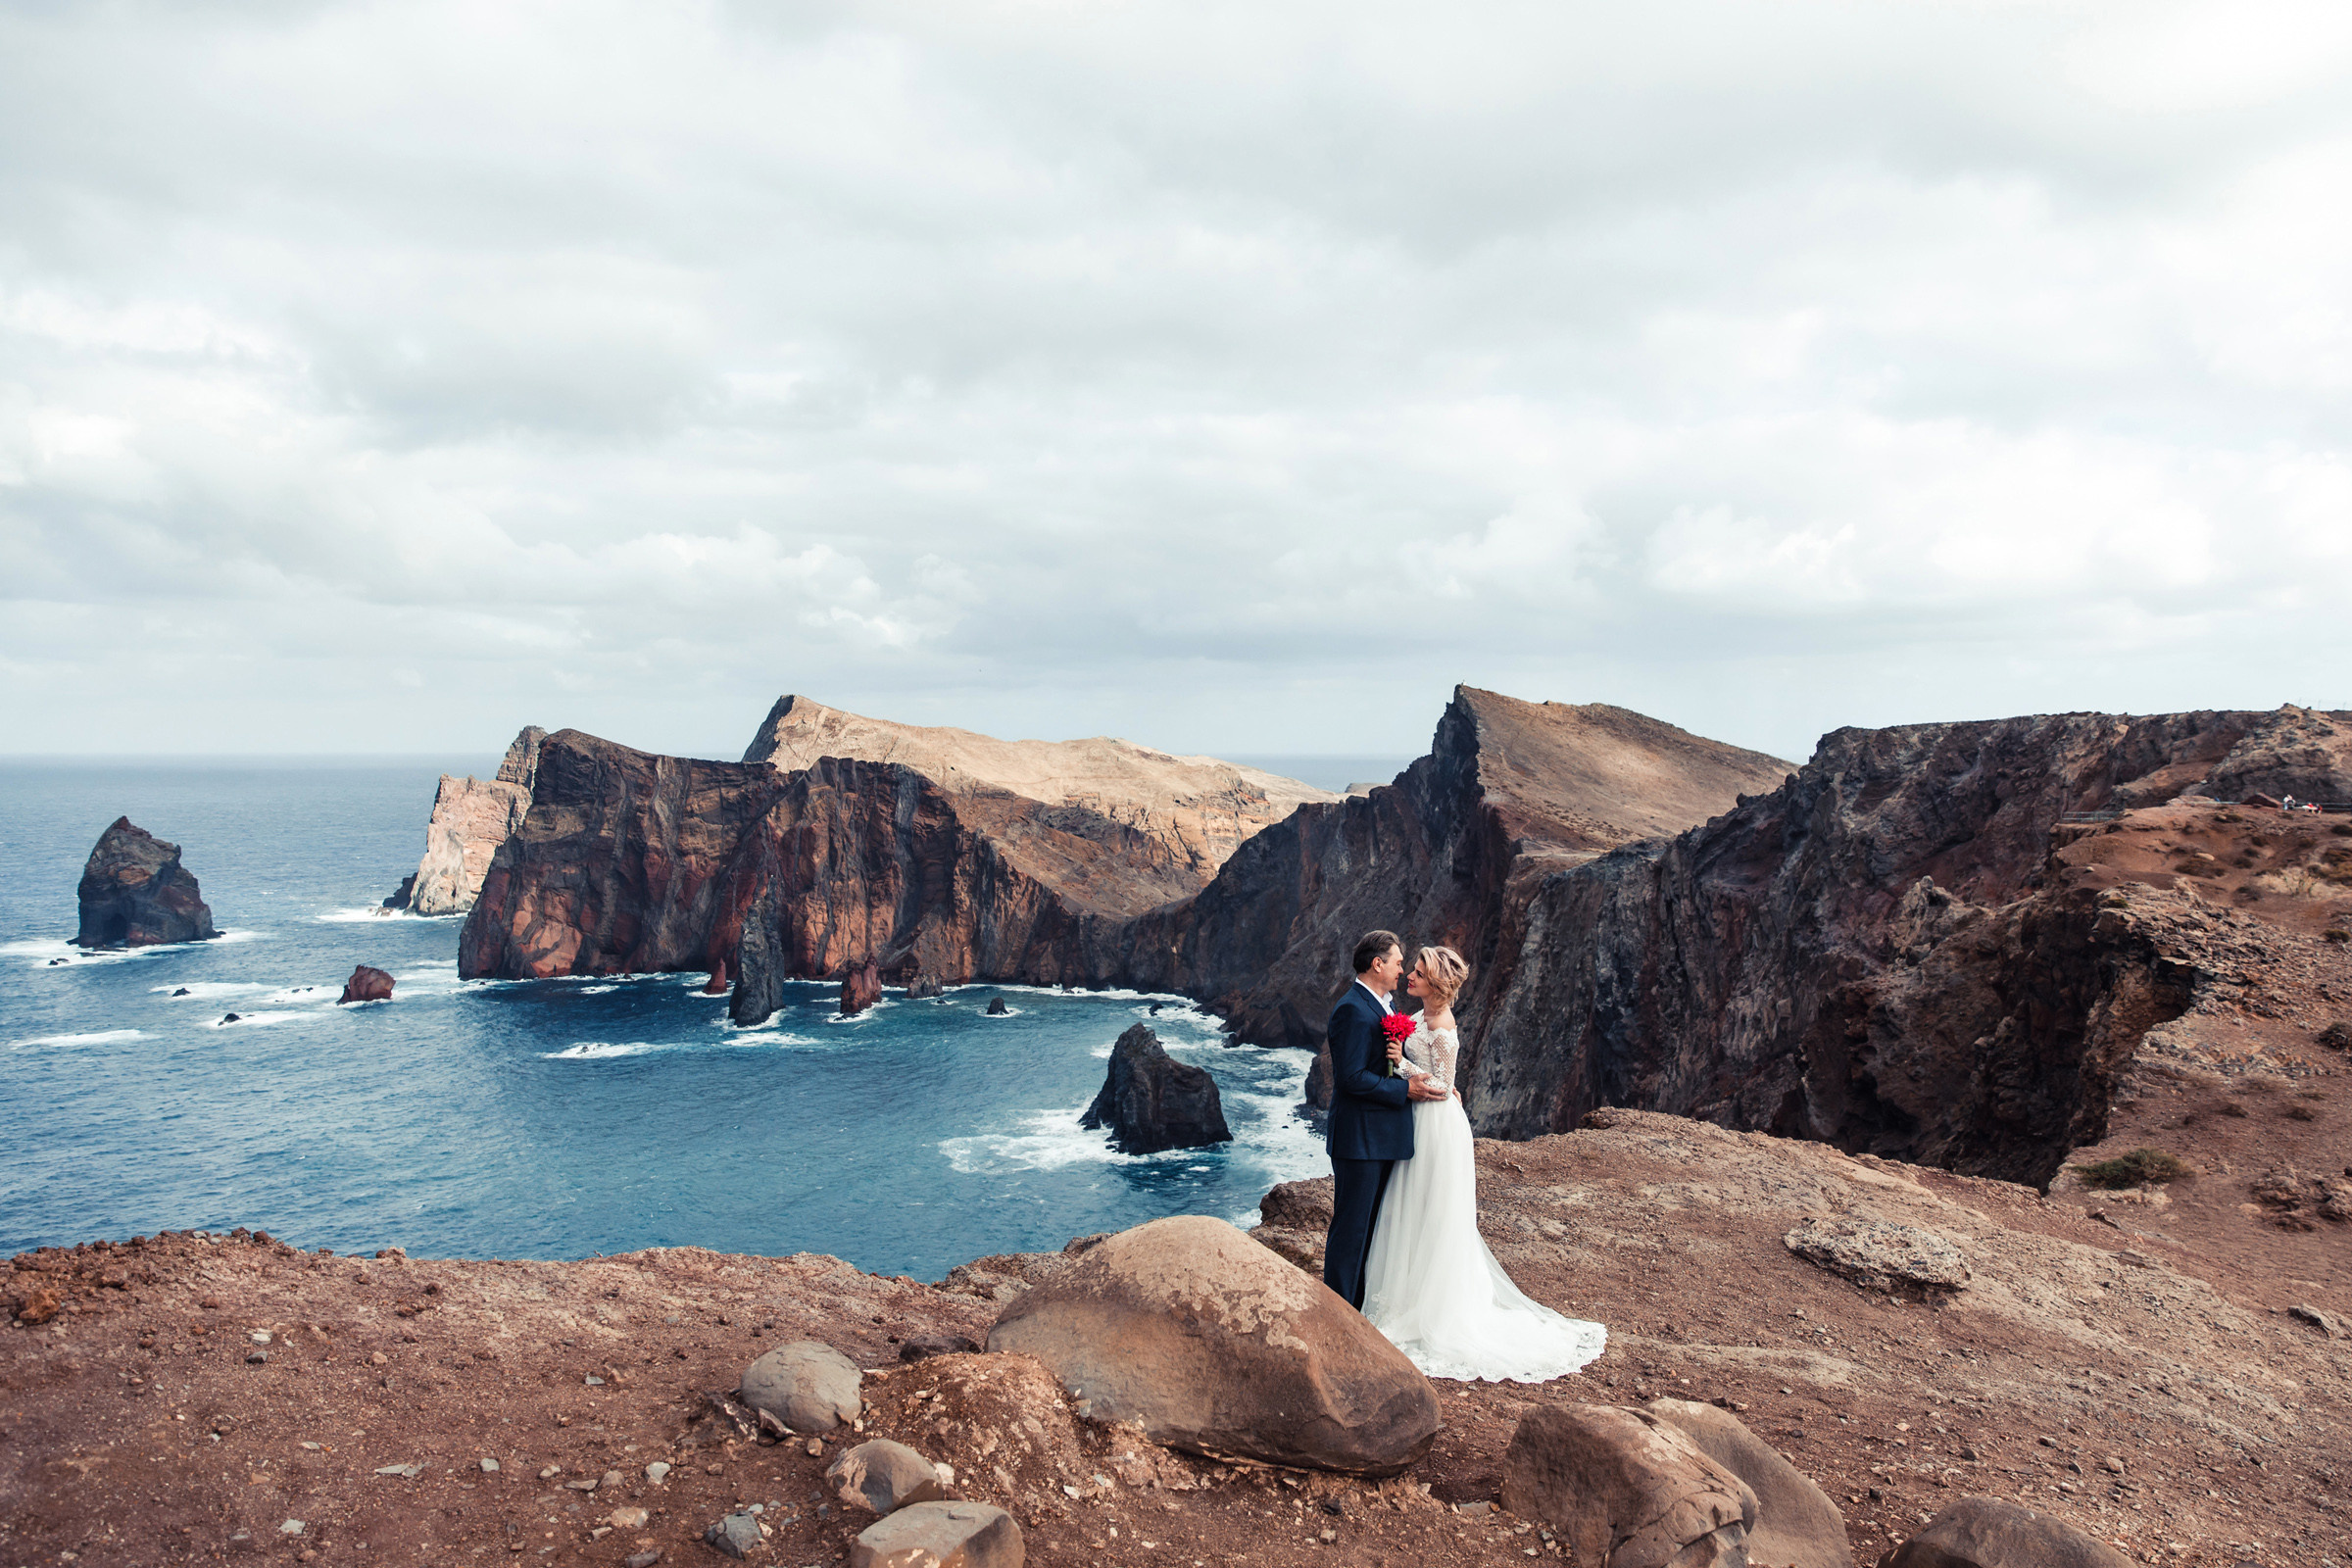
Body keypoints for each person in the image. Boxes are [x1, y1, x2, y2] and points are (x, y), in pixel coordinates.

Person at [1360, 944, 1607, 1381]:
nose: (1410, 977)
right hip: (1421, 1117)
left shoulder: (1443, 1024)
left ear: (1435, 984)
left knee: (1431, 1209)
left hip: (1435, 1124)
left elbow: (1441, 1084)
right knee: (1412, 1207)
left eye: (1417, 973)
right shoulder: (1421, 1016)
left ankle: (1431, 1305)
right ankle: (1406, 1292)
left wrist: (1400, 1065)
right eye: (1411, 970)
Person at [1322, 930, 1449, 1310]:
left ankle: (1357, 1310)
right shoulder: (1353, 1008)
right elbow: (1351, 1078)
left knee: (1373, 1232)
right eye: (1397, 962)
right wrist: (1404, 1090)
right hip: (1360, 1141)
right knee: (1352, 1230)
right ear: (1377, 964)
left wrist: (1443, 1083)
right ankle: (1338, 1312)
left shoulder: (1385, 1006)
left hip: (1380, 1137)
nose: (1402, 970)